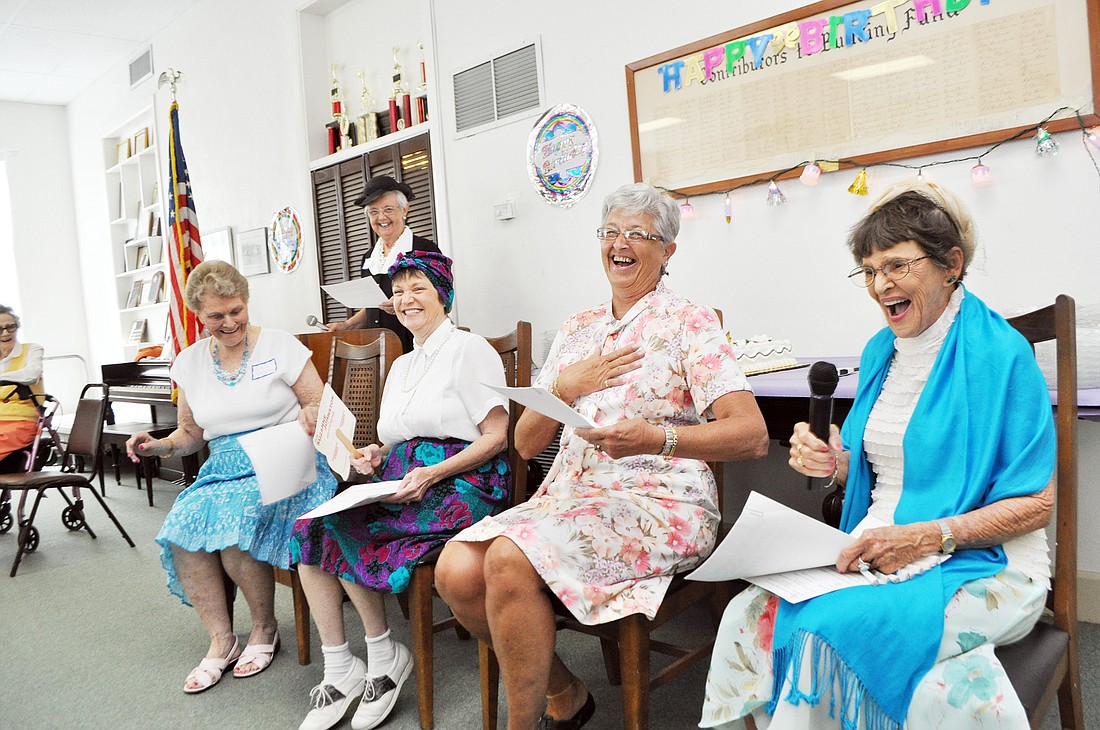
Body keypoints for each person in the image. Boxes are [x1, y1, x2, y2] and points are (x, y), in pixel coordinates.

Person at [700, 179, 1056, 730]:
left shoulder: (1002, 355)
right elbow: (895, 469)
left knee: (825, 635)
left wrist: (921, 536)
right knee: (744, 615)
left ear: (951, 263)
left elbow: (1036, 503)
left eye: (895, 266)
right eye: (868, 271)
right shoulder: (878, 352)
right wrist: (835, 462)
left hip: (984, 561)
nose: (878, 285)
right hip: (877, 547)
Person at [435, 183, 770, 730]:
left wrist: (656, 439)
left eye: (639, 234)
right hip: (569, 497)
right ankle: (566, 696)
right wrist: (566, 385)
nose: (622, 243)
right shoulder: (576, 328)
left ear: (668, 252)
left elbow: (751, 434)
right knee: (456, 569)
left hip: (661, 501)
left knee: (504, 560)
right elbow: (525, 445)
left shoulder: (690, 322)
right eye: (612, 232)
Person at [291, 251, 511, 730]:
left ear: (443, 296)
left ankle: (383, 657)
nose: (406, 299)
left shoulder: (469, 350)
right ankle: (346, 664)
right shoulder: (403, 363)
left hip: (463, 479)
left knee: (342, 524)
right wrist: (371, 455)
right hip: (403, 475)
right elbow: (391, 440)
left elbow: (497, 438)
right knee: (311, 528)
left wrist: (432, 473)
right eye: (399, 290)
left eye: (419, 289)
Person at [125, 261, 337, 695]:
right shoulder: (188, 363)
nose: (229, 323)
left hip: (287, 460)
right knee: (182, 528)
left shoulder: (281, 345)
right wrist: (160, 445)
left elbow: (320, 405)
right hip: (223, 466)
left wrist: (312, 415)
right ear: (198, 316)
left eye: (236, 311)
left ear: (247, 302)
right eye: (216, 317)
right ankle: (222, 639)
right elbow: (190, 434)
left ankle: (264, 629)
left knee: (234, 523)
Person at [328, 175, 442, 353]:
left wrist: (402, 301)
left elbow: (441, 297)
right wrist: (347, 325)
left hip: (418, 345)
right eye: (373, 212)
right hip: (379, 350)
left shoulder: (424, 249)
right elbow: (373, 308)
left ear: (405, 210)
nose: (381, 217)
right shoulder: (368, 258)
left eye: (388, 209)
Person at [0, 305, 44, 466]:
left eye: (10, 327)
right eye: (0, 329)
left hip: (21, 420)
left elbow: (31, 374)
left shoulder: (32, 350)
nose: (5, 333)